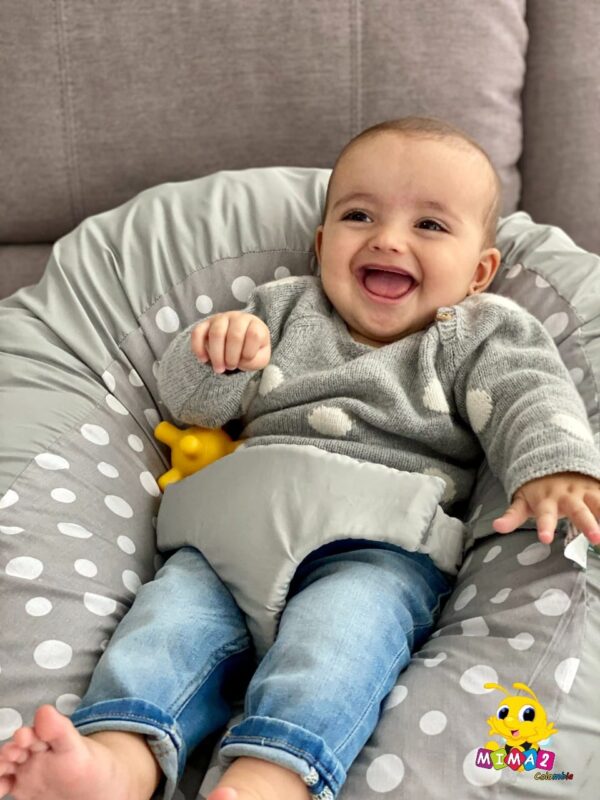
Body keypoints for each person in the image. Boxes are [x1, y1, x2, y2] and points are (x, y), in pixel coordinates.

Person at [2, 117, 600, 800]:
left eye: (430, 226)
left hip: (376, 549)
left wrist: (554, 467)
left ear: (479, 272)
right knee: (165, 628)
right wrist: (219, 355)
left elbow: (530, 392)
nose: (388, 238)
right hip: (229, 540)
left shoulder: (479, 332)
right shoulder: (282, 309)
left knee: (341, 641)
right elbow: (190, 406)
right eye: (358, 215)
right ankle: (116, 761)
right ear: (321, 246)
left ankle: (271, 776)